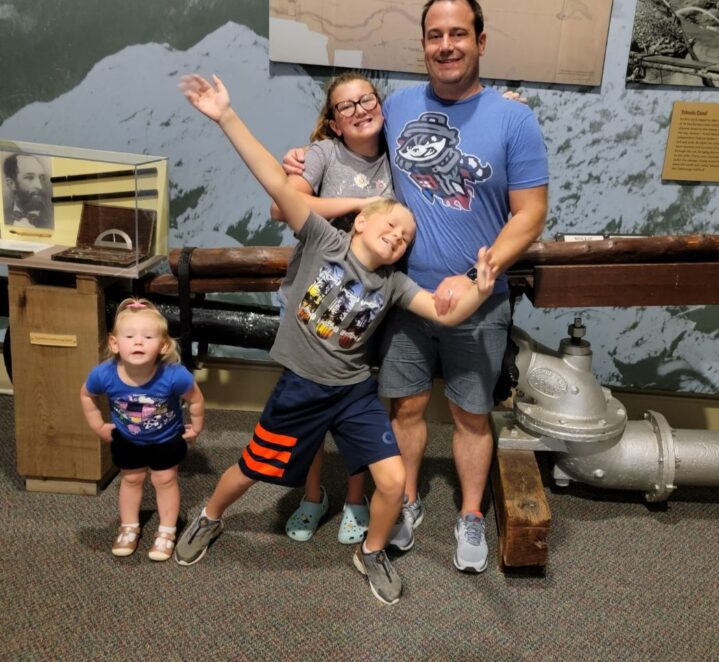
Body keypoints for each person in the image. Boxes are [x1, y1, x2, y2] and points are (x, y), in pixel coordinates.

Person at [172, 73, 494, 605]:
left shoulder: (395, 284)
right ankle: (209, 517)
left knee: (391, 482)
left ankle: (370, 551)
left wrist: (480, 290)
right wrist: (226, 116)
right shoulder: (322, 239)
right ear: (362, 221)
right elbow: (276, 186)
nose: (397, 236)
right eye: (390, 226)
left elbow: (445, 313)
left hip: (352, 393)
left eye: (406, 238)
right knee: (253, 468)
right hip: (300, 388)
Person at [283, 0, 549, 574]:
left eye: (459, 34)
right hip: (399, 296)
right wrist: (302, 156)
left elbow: (530, 212)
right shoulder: (397, 106)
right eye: (435, 35)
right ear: (423, 44)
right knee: (402, 409)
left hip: (478, 297)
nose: (446, 45)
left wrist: (485, 270)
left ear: (481, 41)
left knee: (470, 415)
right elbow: (344, 136)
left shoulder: (513, 121)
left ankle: (472, 513)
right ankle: (403, 501)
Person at [270, 72, 393, 546]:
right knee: (312, 405)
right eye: (346, 106)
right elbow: (284, 207)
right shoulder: (322, 153)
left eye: (367, 99)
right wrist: (368, 203)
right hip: (315, 296)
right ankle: (313, 494)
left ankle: (357, 499)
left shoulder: (399, 153)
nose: (360, 109)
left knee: (361, 407)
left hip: (370, 303)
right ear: (334, 122)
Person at [80, 298, 205, 561]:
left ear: (163, 345)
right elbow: (86, 395)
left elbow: (195, 399)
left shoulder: (174, 375)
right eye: (130, 336)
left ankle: (167, 530)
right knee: (131, 479)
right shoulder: (103, 374)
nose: (138, 342)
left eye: (148, 336)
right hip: (127, 439)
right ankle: (129, 527)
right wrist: (98, 425)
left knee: (165, 480)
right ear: (115, 343)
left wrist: (197, 426)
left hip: (166, 439)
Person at [2, 153, 54, 229]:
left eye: (41, 178)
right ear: (11, 184)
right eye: (29, 178)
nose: (40, 186)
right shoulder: (3, 215)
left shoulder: (53, 217)